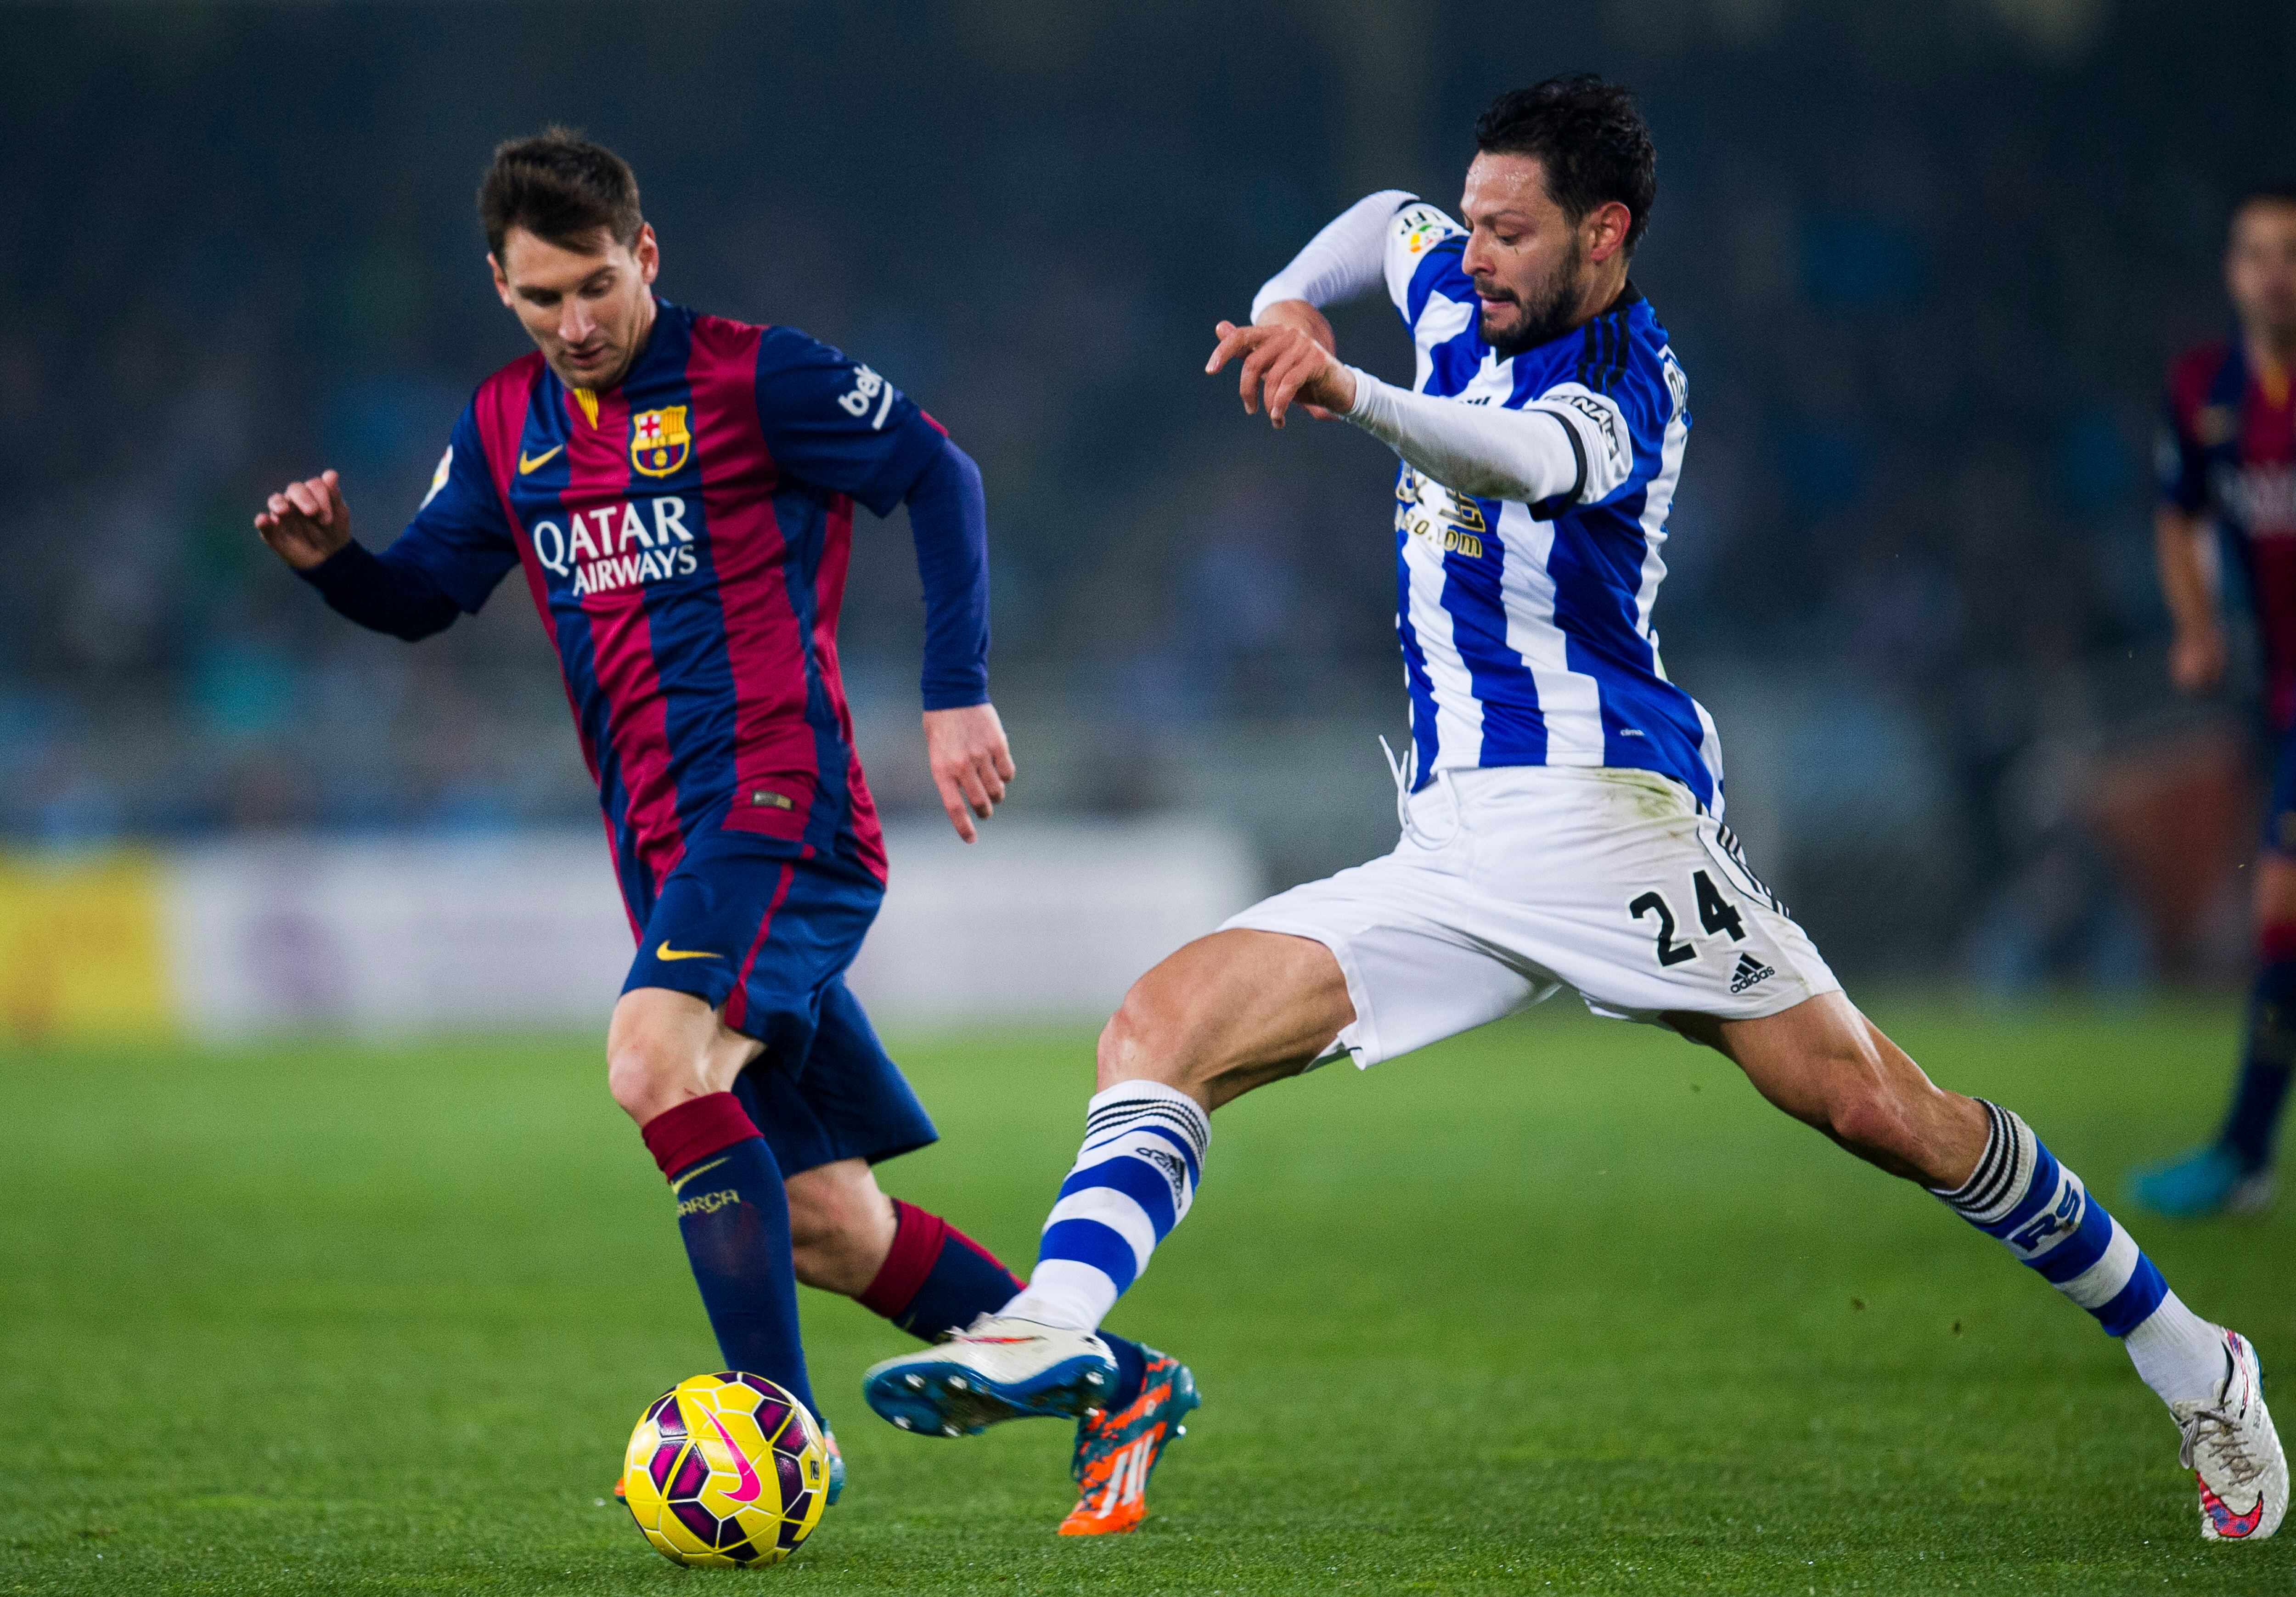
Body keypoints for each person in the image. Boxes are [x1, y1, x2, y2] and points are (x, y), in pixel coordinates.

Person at [859, 76, 2287, 1543]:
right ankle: (1052, 1329)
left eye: (1509, 232)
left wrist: (1347, 392)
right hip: (1452, 843)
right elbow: (1378, 224)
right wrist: (1292, 301)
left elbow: (1521, 462)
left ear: (1603, 235)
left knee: (1879, 1108)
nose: (1472, 254)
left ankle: (2194, 1358)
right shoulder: (1458, 285)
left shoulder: (1627, 382)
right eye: (1472, 222)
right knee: (1156, 1028)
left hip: (1614, 824)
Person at [252, 128, 1166, 1529]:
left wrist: (955, 694)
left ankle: (775, 1429)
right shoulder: (505, 426)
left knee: (652, 1052)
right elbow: (425, 596)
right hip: (670, 856)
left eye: (598, 286)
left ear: (648, 258)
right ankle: (1118, 1379)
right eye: (543, 296)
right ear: (498, 285)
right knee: (828, 1224)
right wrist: (337, 569)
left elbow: (943, 474)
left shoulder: (756, 375)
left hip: (780, 804)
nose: (575, 322)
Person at [2133, 184, 2296, 1221]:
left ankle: (2242, 1150)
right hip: (2278, 689)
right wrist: (2198, 627)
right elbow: (2176, 514)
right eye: (2253, 251)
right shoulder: (2204, 389)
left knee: (2279, 903)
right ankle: (2243, 1152)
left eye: (2288, 250)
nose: (2271, 270)